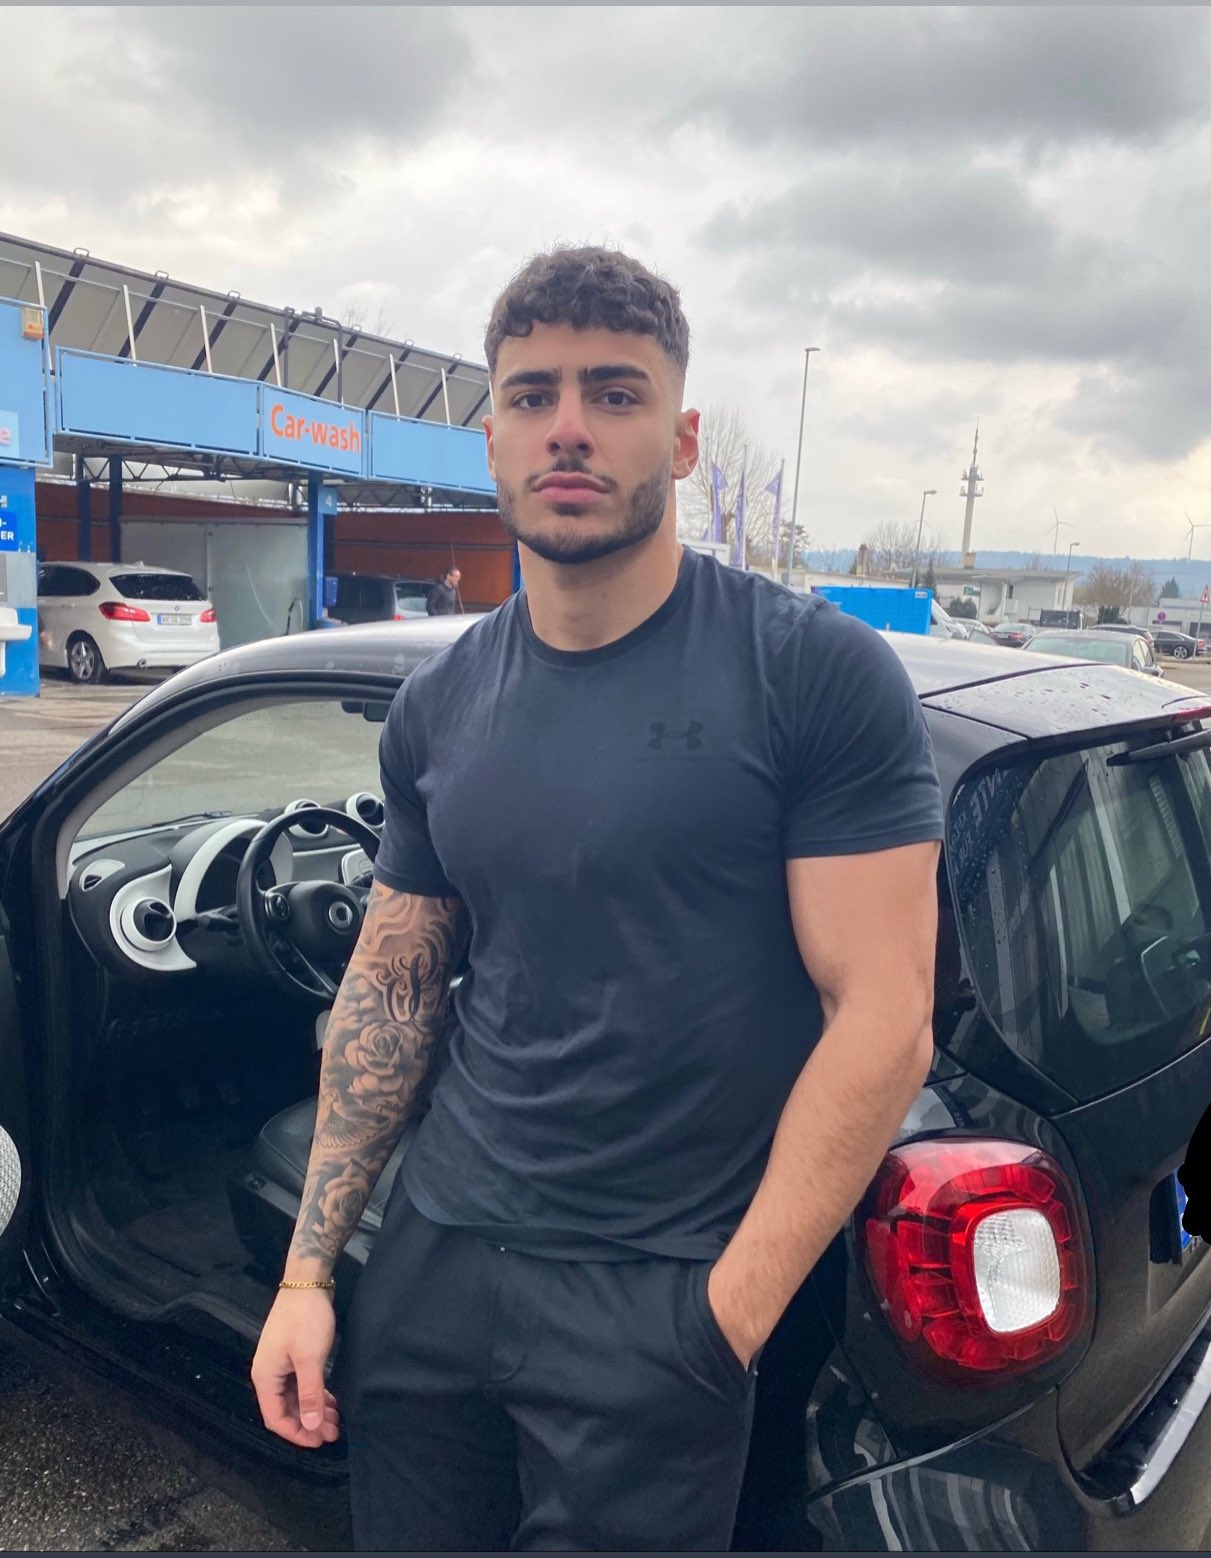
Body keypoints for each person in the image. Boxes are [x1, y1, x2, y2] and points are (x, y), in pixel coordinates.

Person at [250, 245, 944, 1551]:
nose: (567, 427)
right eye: (533, 395)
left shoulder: (811, 674)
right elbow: (392, 989)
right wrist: (308, 1274)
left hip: (659, 1292)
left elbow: (884, 1017)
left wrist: (723, 1319)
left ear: (681, 440)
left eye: (614, 394)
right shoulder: (442, 702)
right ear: (493, 441)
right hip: (436, 1258)